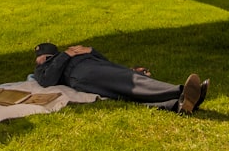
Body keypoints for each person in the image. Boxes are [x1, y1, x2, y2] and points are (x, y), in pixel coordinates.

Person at [33, 43, 209, 114]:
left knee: (127, 90)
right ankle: (180, 92)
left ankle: (178, 105)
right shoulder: (49, 65)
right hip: (82, 74)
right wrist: (65, 55)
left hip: (95, 69)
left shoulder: (72, 54)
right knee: (131, 82)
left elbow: (106, 63)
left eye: (44, 57)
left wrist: (91, 51)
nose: (41, 61)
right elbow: (47, 80)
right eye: (41, 60)